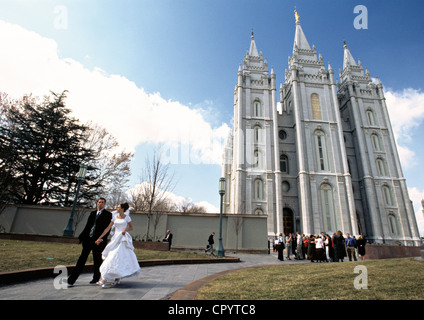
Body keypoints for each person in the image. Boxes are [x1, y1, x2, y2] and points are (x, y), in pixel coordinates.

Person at [67, 198, 112, 286]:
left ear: (105, 204)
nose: (101, 204)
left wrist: (101, 239)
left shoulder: (108, 214)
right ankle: (72, 279)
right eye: (99, 202)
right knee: (82, 259)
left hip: (98, 241)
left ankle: (95, 278)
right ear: (97, 203)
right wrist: (82, 236)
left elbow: (107, 229)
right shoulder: (92, 214)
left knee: (97, 260)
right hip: (88, 239)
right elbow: (88, 226)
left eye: (102, 202)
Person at [95, 203, 141, 287]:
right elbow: (108, 228)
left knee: (119, 258)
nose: (117, 208)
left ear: (123, 209)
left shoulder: (127, 217)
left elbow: (131, 227)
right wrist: (100, 238)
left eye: (118, 207)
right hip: (115, 239)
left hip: (122, 239)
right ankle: (104, 279)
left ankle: (116, 278)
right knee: (111, 257)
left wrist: (125, 229)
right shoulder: (114, 217)